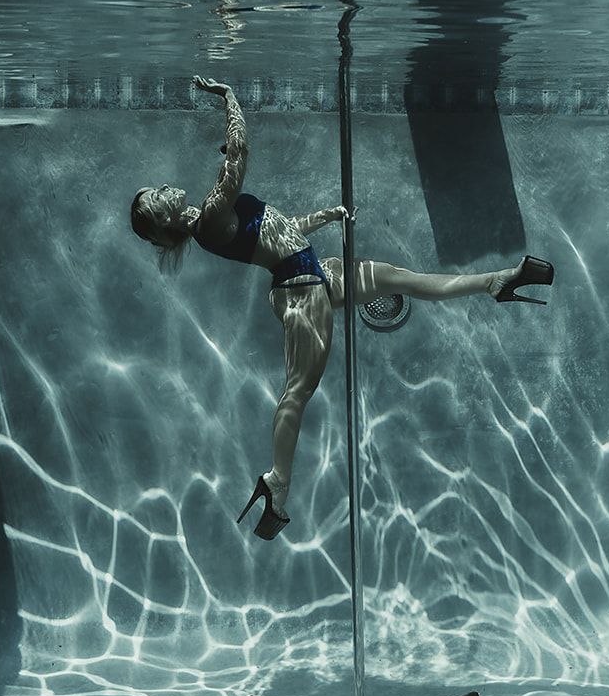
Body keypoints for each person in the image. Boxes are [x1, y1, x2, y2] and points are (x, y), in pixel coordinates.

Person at [130, 76, 554, 542]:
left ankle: (496, 282)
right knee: (297, 390)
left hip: (310, 272)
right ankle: (277, 483)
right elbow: (239, 157)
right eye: (158, 196)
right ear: (163, 222)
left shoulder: (215, 217)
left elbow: (276, 230)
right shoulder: (210, 217)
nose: (166, 188)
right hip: (301, 291)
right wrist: (229, 97)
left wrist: (321, 218)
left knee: (402, 279)